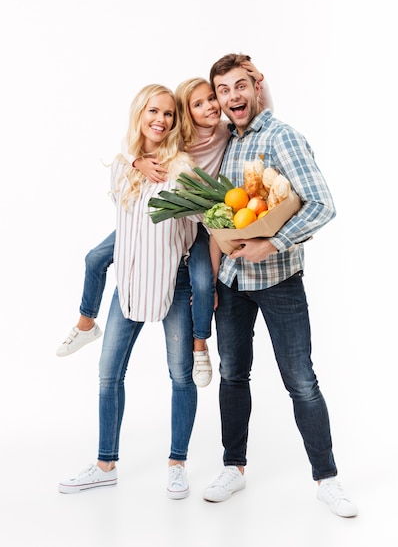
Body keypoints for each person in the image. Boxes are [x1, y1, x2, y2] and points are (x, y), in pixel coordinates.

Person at [202, 53, 358, 518]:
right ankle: (234, 466)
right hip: (231, 281)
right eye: (223, 91)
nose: (232, 97)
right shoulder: (229, 142)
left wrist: (273, 242)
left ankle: (327, 479)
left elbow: (322, 204)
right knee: (233, 376)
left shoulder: (283, 136)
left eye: (239, 86)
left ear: (256, 87)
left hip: (278, 280)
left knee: (300, 380)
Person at [56, 63, 272, 388]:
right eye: (198, 104)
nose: (210, 106)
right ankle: (86, 323)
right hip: (165, 217)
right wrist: (134, 160)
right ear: (187, 113)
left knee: (202, 283)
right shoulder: (181, 139)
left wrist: (260, 82)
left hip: (198, 224)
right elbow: (140, 144)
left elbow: (260, 114)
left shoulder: (228, 131)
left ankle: (200, 345)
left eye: (212, 99)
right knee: (95, 258)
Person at [59, 83, 201, 498]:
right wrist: (136, 160)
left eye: (169, 114)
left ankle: (177, 463)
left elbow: (196, 222)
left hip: (174, 284)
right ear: (139, 114)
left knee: (180, 375)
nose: (161, 120)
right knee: (108, 375)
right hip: (130, 284)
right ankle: (105, 464)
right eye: (153, 112)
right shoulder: (124, 165)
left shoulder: (183, 167)